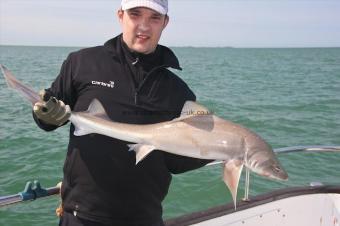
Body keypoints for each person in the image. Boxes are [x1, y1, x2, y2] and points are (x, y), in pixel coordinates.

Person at [33, 0, 210, 225]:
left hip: (145, 218)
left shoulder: (178, 91)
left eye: (154, 18)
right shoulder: (82, 63)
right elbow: (47, 118)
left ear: (165, 22)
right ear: (120, 16)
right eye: (135, 14)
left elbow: (175, 163)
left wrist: (216, 149)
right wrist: (44, 115)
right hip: (80, 217)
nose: (144, 26)